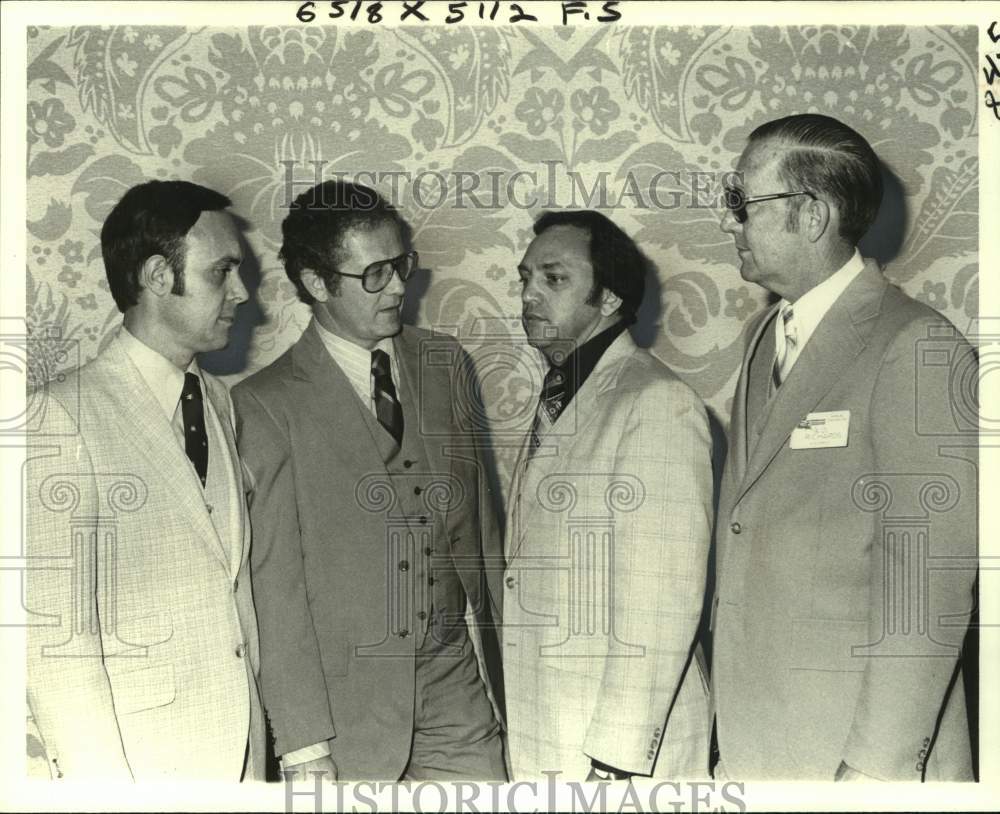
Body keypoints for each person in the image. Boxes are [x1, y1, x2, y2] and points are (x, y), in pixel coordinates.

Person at [711, 113, 977, 780]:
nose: (727, 222)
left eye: (740, 201)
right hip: (759, 736)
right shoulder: (764, 336)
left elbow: (926, 584)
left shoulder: (917, 347)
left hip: (855, 755)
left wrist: (873, 771)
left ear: (810, 213)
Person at [232, 180, 506, 782]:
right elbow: (275, 589)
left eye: (402, 265)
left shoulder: (446, 363)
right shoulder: (263, 405)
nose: (400, 287)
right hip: (347, 714)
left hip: (458, 686)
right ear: (316, 283)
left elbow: (483, 531)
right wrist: (303, 745)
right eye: (375, 274)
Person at [26, 180, 266, 780]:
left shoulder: (217, 400)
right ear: (159, 277)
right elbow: (56, 645)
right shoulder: (60, 415)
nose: (243, 293)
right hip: (142, 763)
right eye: (222, 272)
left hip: (243, 751)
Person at [502, 210, 714, 781]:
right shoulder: (561, 396)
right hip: (551, 732)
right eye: (524, 278)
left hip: (616, 754)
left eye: (554, 278)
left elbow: (663, 597)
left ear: (611, 297)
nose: (529, 295)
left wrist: (614, 763)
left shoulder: (657, 402)